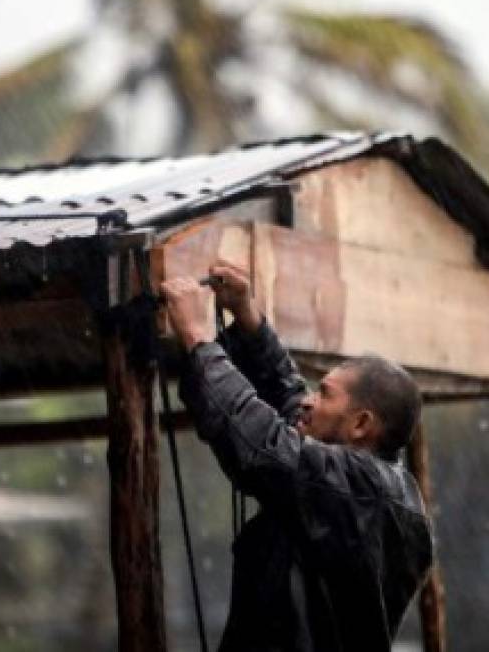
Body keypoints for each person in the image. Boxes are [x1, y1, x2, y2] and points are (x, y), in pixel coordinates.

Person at [160, 262, 434, 652]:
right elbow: (290, 406)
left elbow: (262, 445)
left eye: (324, 394)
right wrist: (248, 317)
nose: (308, 400)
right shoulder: (363, 485)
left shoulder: (359, 490)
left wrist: (198, 338)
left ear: (360, 425)